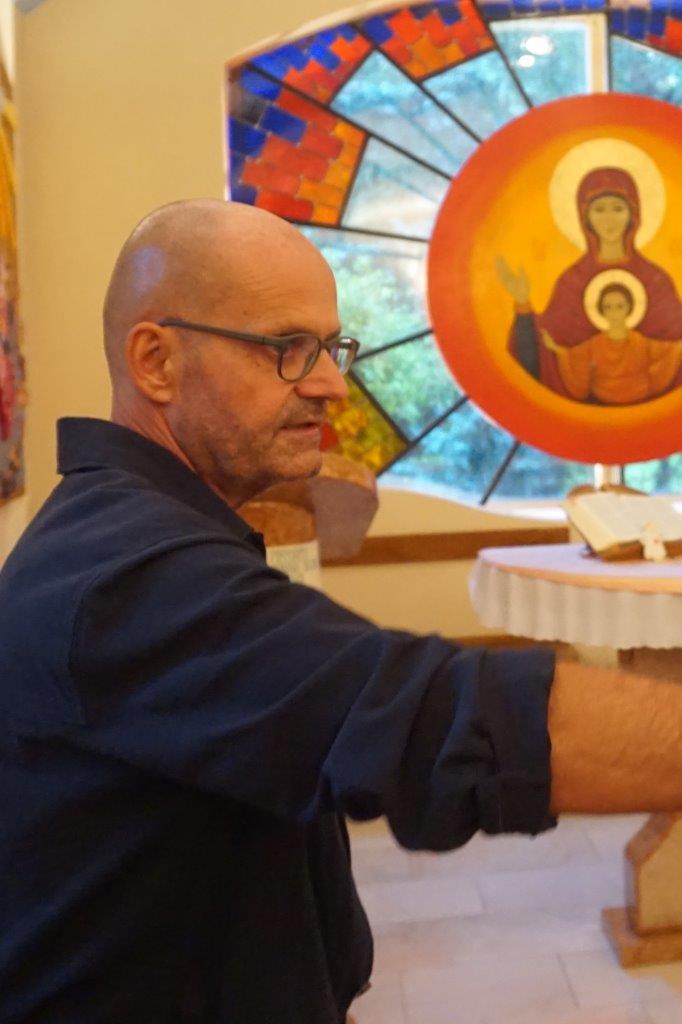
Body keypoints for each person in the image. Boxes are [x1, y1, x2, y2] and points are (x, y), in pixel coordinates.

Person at [0, 199, 681, 1024]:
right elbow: (425, 714)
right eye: (288, 348)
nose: (330, 383)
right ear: (157, 362)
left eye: (331, 348)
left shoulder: (156, 532)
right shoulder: (121, 574)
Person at [497, 166, 682, 397]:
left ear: (633, 214)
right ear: (585, 217)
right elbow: (544, 354)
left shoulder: (656, 280)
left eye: (618, 208)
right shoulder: (571, 281)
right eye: (599, 209)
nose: (609, 219)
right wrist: (523, 305)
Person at [541, 282, 682, 404]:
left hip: (640, 397)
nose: (614, 312)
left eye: (619, 306)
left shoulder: (641, 342)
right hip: (603, 399)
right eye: (608, 307)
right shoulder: (594, 344)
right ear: (601, 310)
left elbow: (667, 353)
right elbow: (577, 359)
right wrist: (556, 349)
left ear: (629, 308)